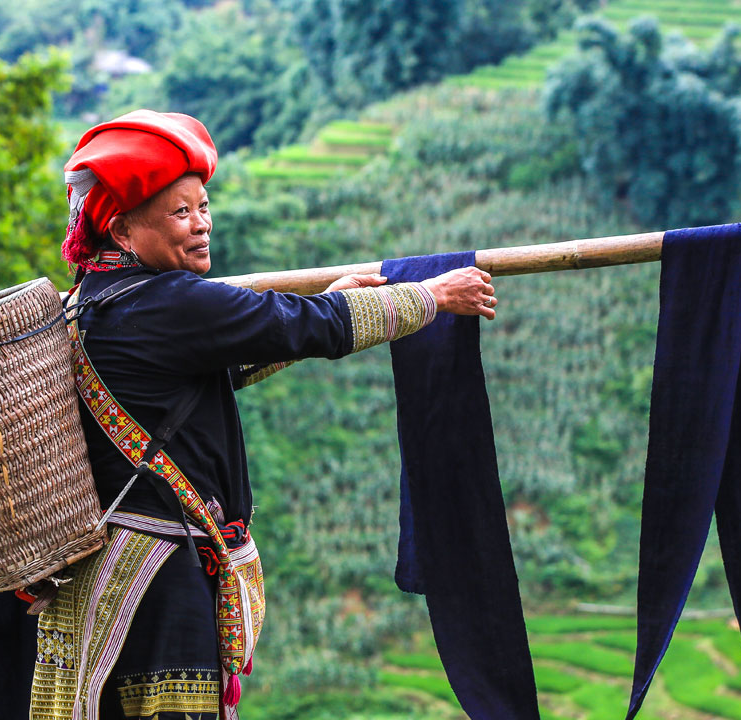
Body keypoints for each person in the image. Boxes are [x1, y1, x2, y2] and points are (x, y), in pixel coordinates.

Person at [29, 110, 497, 720]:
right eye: (179, 212)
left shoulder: (87, 305)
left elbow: (220, 364)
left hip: (108, 578)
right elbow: (303, 328)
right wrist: (430, 296)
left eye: (203, 206)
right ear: (120, 232)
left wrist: (330, 303)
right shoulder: (171, 301)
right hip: (161, 581)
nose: (201, 226)